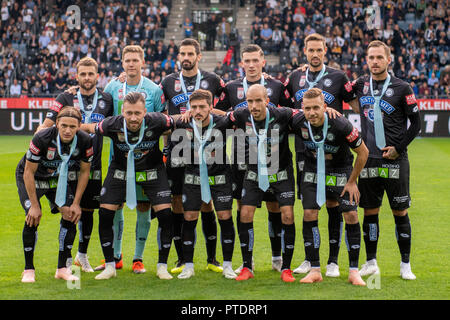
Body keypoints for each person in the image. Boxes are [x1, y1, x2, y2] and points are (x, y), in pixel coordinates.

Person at [285, 33, 360, 277]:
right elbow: (281, 101)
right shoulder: (295, 76)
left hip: (334, 152)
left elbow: (357, 103)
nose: (315, 54)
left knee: (334, 206)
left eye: (319, 50)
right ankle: (310, 260)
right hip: (304, 151)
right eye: (311, 50)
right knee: (310, 207)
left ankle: (334, 261)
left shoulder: (339, 76)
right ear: (304, 51)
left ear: (325, 50)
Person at [215, 44, 293, 274]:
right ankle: (246, 261)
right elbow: (216, 111)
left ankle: (277, 257)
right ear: (241, 63)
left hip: (274, 156)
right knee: (244, 208)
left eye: (254, 60)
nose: (250, 65)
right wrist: (236, 118)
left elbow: (293, 113)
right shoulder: (231, 87)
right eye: (246, 61)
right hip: (241, 156)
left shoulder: (277, 86)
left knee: (274, 207)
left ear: (262, 62)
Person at [83, 92, 174, 280]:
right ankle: (110, 266)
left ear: (145, 112)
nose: (133, 118)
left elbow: (177, 122)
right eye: (129, 113)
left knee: (165, 215)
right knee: (105, 213)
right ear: (123, 111)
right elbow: (89, 127)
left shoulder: (157, 121)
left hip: (152, 172)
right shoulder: (112, 124)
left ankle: (162, 266)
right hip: (120, 172)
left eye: (138, 113)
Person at [37, 57, 114, 273]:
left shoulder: (107, 99)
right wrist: (38, 139)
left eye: (91, 74)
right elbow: (47, 126)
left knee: (88, 212)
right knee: (69, 211)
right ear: (76, 76)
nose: (87, 78)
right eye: (83, 74)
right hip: (66, 168)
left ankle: (82, 255)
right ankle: (66, 261)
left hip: (92, 164)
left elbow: (116, 124)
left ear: (98, 76)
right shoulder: (65, 97)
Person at [352, 40, 421, 280]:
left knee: (399, 212)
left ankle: (405, 265)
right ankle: (371, 262)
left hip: (395, 160)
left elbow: (417, 124)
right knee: (370, 212)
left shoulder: (403, 87)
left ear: (388, 60)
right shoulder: (360, 84)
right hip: (368, 159)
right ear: (366, 59)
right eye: (371, 57)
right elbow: (336, 92)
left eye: (379, 57)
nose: (375, 61)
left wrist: (398, 148)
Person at [290, 88, 368, 285]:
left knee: (351, 214)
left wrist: (351, 182)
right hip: (312, 172)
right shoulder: (298, 120)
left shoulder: (340, 123)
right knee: (309, 214)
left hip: (340, 171)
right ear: (302, 108)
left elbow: (363, 152)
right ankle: (315, 269)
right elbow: (271, 110)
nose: (312, 113)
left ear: (325, 107)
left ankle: (353, 271)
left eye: (316, 107)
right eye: (307, 108)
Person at [160, 38, 225, 275]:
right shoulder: (167, 82)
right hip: (178, 150)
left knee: (206, 202)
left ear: (199, 56)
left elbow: (227, 113)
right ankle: (180, 260)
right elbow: (160, 116)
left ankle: (212, 258)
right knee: (178, 203)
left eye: (190, 53)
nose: (185, 57)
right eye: (182, 53)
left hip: (207, 150)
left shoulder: (214, 80)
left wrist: (201, 110)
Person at [101, 45, 167, 274]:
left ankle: (138, 258)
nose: (131, 64)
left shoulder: (154, 90)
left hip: (147, 160)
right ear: (122, 62)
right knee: (115, 205)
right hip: (118, 159)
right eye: (127, 60)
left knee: (143, 205)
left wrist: (165, 153)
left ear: (142, 62)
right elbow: (104, 120)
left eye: (135, 60)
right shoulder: (112, 86)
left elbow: (163, 122)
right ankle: (116, 256)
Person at [226, 84, 299, 282]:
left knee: (287, 215)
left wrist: (330, 110)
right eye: (250, 101)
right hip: (254, 173)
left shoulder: (283, 114)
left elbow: (307, 112)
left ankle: (286, 267)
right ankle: (247, 266)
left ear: (267, 101)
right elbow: (218, 118)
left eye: (258, 101)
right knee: (245, 213)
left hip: (281, 172)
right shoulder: (241, 116)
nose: (254, 105)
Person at [17, 107, 92, 283]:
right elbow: (28, 172)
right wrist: (34, 206)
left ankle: (62, 268)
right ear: (56, 123)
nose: (67, 130)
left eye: (72, 127)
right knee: (33, 216)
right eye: (63, 125)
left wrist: (76, 203)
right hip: (32, 178)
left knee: (71, 215)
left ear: (79, 126)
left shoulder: (84, 140)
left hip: (56, 179)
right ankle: (28, 270)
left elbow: (84, 172)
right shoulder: (42, 138)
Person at [173, 89, 237, 280]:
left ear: (211, 107)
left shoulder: (223, 123)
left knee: (225, 215)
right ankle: (188, 266)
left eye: (202, 106)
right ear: (188, 109)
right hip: (192, 177)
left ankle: (227, 265)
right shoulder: (182, 124)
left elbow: (234, 116)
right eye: (194, 107)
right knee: (190, 216)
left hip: (220, 177)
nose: (198, 111)